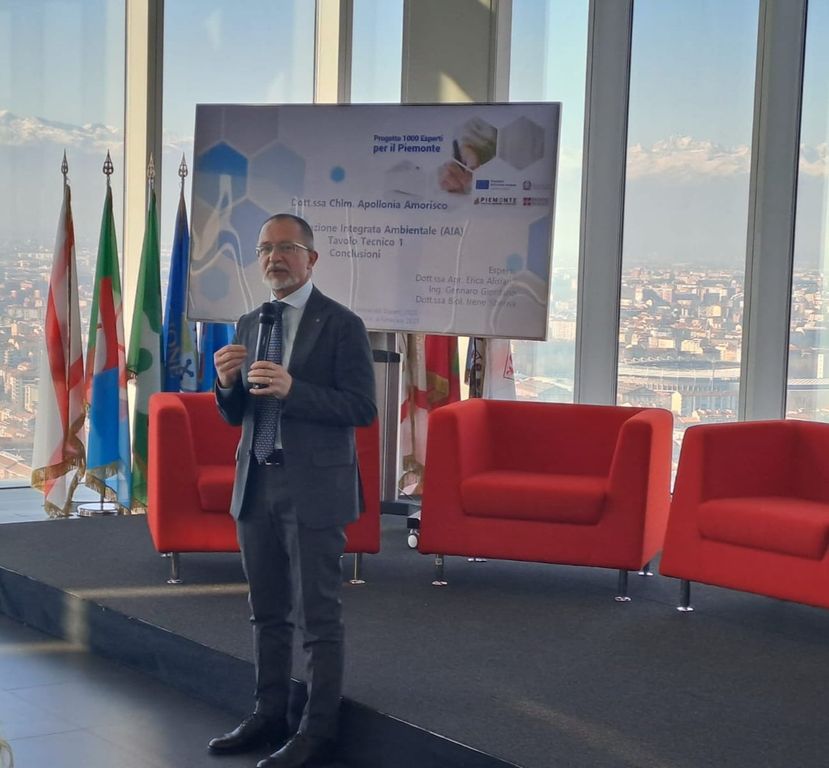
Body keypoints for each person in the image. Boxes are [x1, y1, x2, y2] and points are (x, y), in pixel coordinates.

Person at [207, 213, 377, 768]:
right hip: (257, 483)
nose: (273, 258)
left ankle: (316, 731)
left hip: (315, 489)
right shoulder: (250, 321)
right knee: (267, 612)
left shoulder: (342, 324)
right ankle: (268, 714)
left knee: (317, 617)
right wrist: (225, 385)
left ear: (311, 258)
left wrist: (293, 389)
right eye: (264, 249)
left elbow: (362, 408)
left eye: (286, 247)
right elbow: (236, 414)